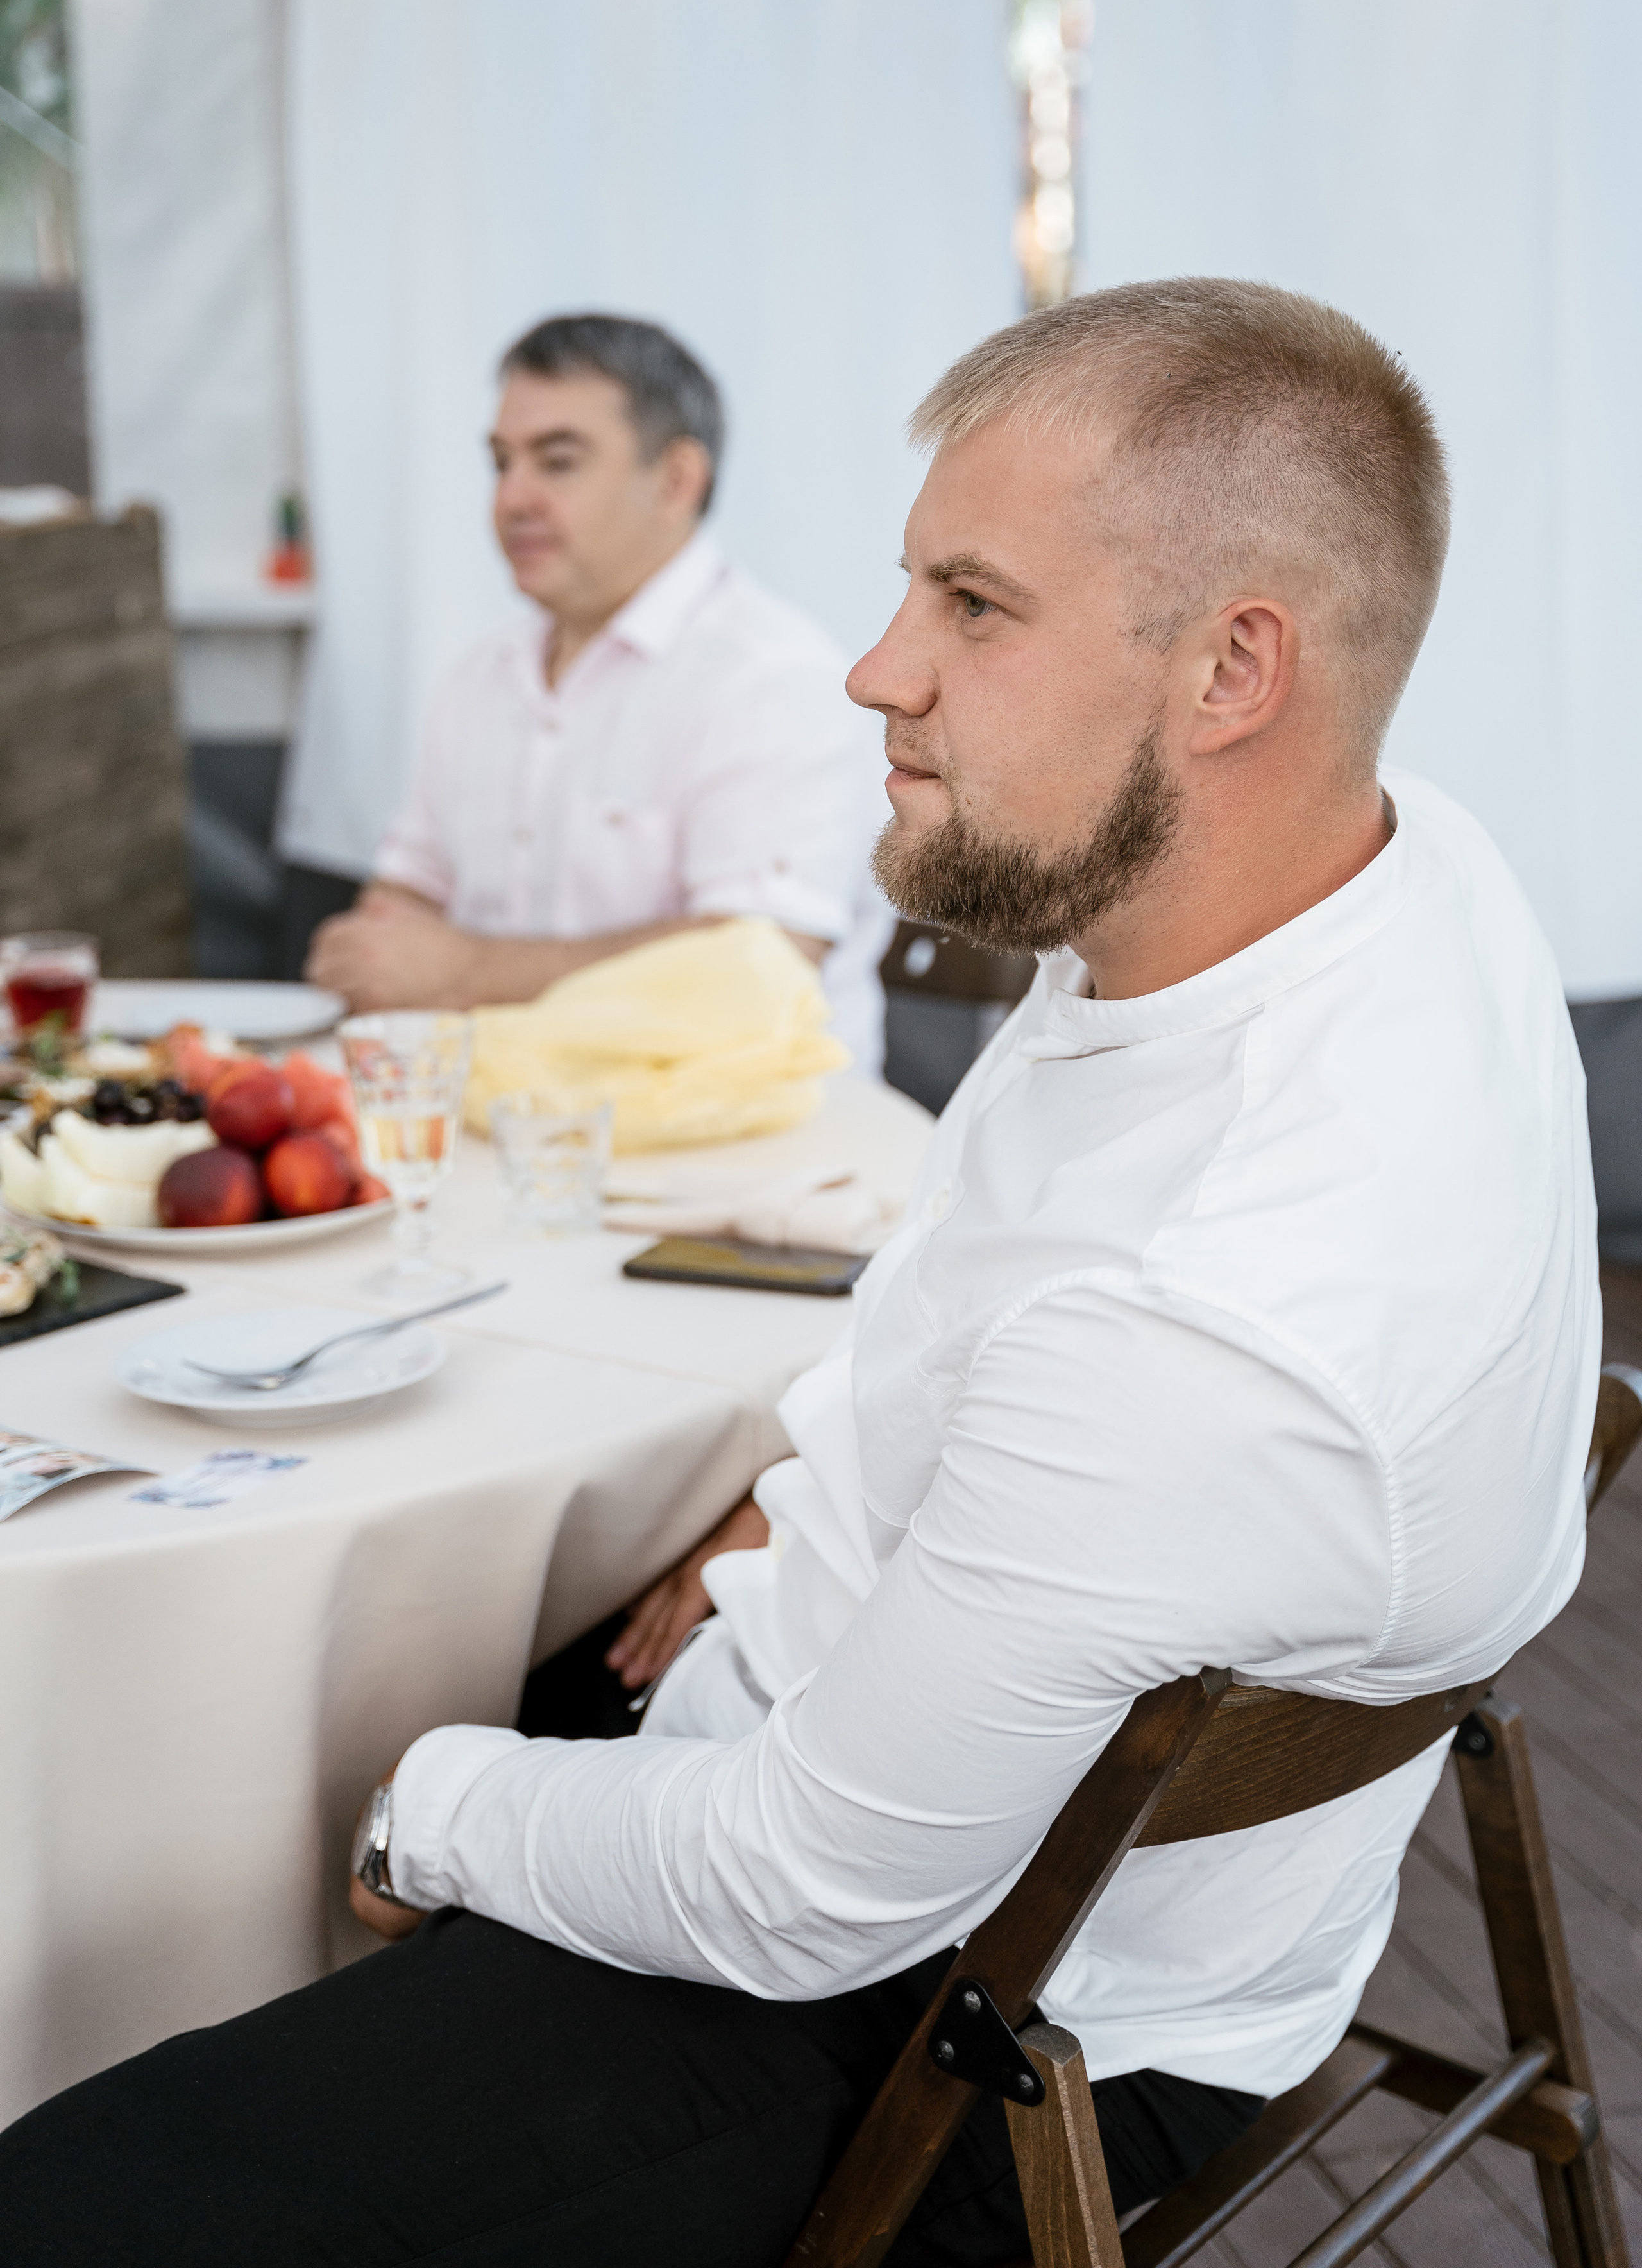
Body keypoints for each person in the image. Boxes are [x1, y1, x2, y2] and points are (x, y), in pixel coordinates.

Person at [0, 280, 1597, 2266]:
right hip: (955, 1816)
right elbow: (998, 1319)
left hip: (966, 2022)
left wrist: (425, 1800)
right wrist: (791, 1507)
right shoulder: (1386, 872)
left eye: (971, 604)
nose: (870, 668)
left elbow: (794, 1887)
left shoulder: (1201, 1321)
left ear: (1229, 672)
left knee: (69, 2183)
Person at [304, 312, 892, 1071]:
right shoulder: (480, 675)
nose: (512, 498)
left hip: (747, 1158)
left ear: (677, 480)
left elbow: (758, 968)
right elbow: (399, 912)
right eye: (500, 462)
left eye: (557, 461)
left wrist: (462, 972)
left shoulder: (772, 676)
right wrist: (383, 956)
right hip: (508, 1131)